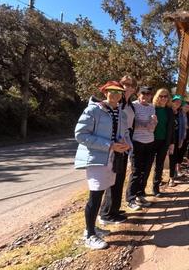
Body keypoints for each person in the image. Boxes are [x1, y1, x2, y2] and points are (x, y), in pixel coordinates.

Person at [74, 81, 131, 250]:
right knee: (95, 195)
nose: (115, 95)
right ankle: (90, 235)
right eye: (111, 91)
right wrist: (109, 145)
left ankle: (91, 228)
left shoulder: (121, 113)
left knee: (104, 190)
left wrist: (127, 144)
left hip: (113, 158)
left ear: (122, 95)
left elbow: (125, 133)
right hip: (97, 158)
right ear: (105, 92)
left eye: (118, 92)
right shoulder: (93, 110)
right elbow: (81, 135)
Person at [99, 76, 137, 222]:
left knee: (119, 178)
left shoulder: (129, 105)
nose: (128, 87)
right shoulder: (115, 101)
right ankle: (106, 213)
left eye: (131, 85)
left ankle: (114, 209)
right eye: (125, 84)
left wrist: (128, 143)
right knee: (111, 179)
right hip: (112, 144)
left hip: (124, 142)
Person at [126, 86, 157, 210]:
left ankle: (140, 194)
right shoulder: (133, 106)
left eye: (148, 94)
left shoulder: (151, 107)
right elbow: (133, 124)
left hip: (150, 141)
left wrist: (153, 123)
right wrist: (147, 124)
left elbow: (152, 127)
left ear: (151, 96)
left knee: (146, 171)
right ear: (138, 95)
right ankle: (131, 199)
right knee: (136, 172)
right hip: (137, 142)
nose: (145, 96)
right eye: (143, 93)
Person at [147, 88, 175, 197]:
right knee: (147, 165)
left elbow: (172, 128)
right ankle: (141, 191)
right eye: (161, 96)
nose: (163, 98)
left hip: (164, 141)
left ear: (168, 98)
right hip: (151, 140)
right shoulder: (152, 108)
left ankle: (155, 188)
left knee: (159, 165)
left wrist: (172, 143)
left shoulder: (169, 110)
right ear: (157, 97)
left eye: (165, 96)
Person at [168, 94, 187, 186]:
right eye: (176, 101)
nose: (177, 103)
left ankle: (172, 178)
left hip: (177, 138)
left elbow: (183, 127)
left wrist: (182, 139)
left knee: (173, 158)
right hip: (167, 139)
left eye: (179, 102)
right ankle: (159, 179)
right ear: (172, 102)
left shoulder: (181, 113)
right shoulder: (168, 111)